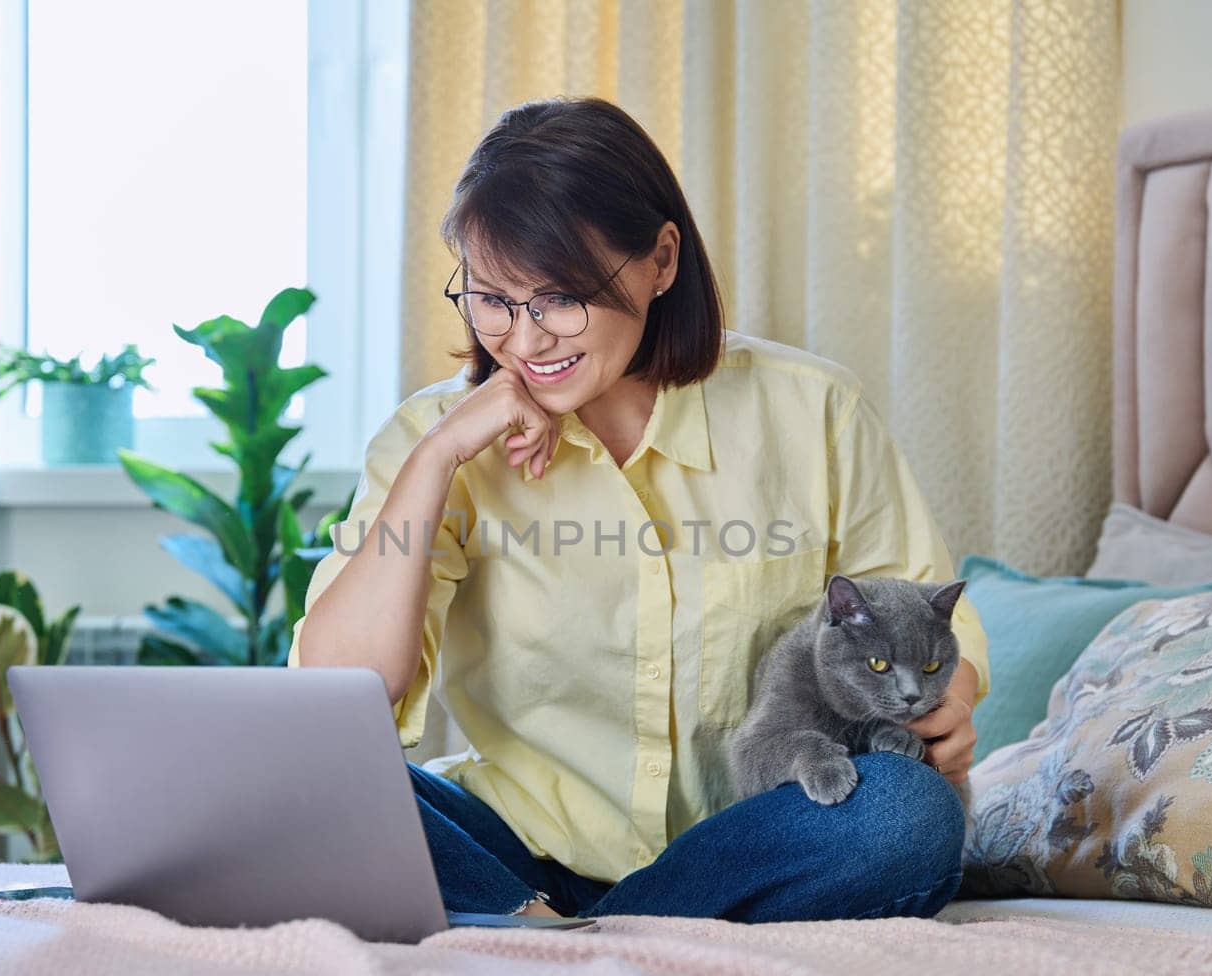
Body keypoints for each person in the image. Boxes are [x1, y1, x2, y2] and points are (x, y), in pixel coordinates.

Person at [289, 96, 990, 923]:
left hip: (759, 836)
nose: (524, 339)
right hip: (516, 847)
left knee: (907, 812)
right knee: (292, 775)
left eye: (558, 297)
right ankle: (570, 918)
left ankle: (561, 933)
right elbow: (336, 701)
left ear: (661, 259)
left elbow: (935, 629)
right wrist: (440, 455)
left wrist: (947, 703)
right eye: (491, 299)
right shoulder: (429, 440)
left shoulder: (813, 412)